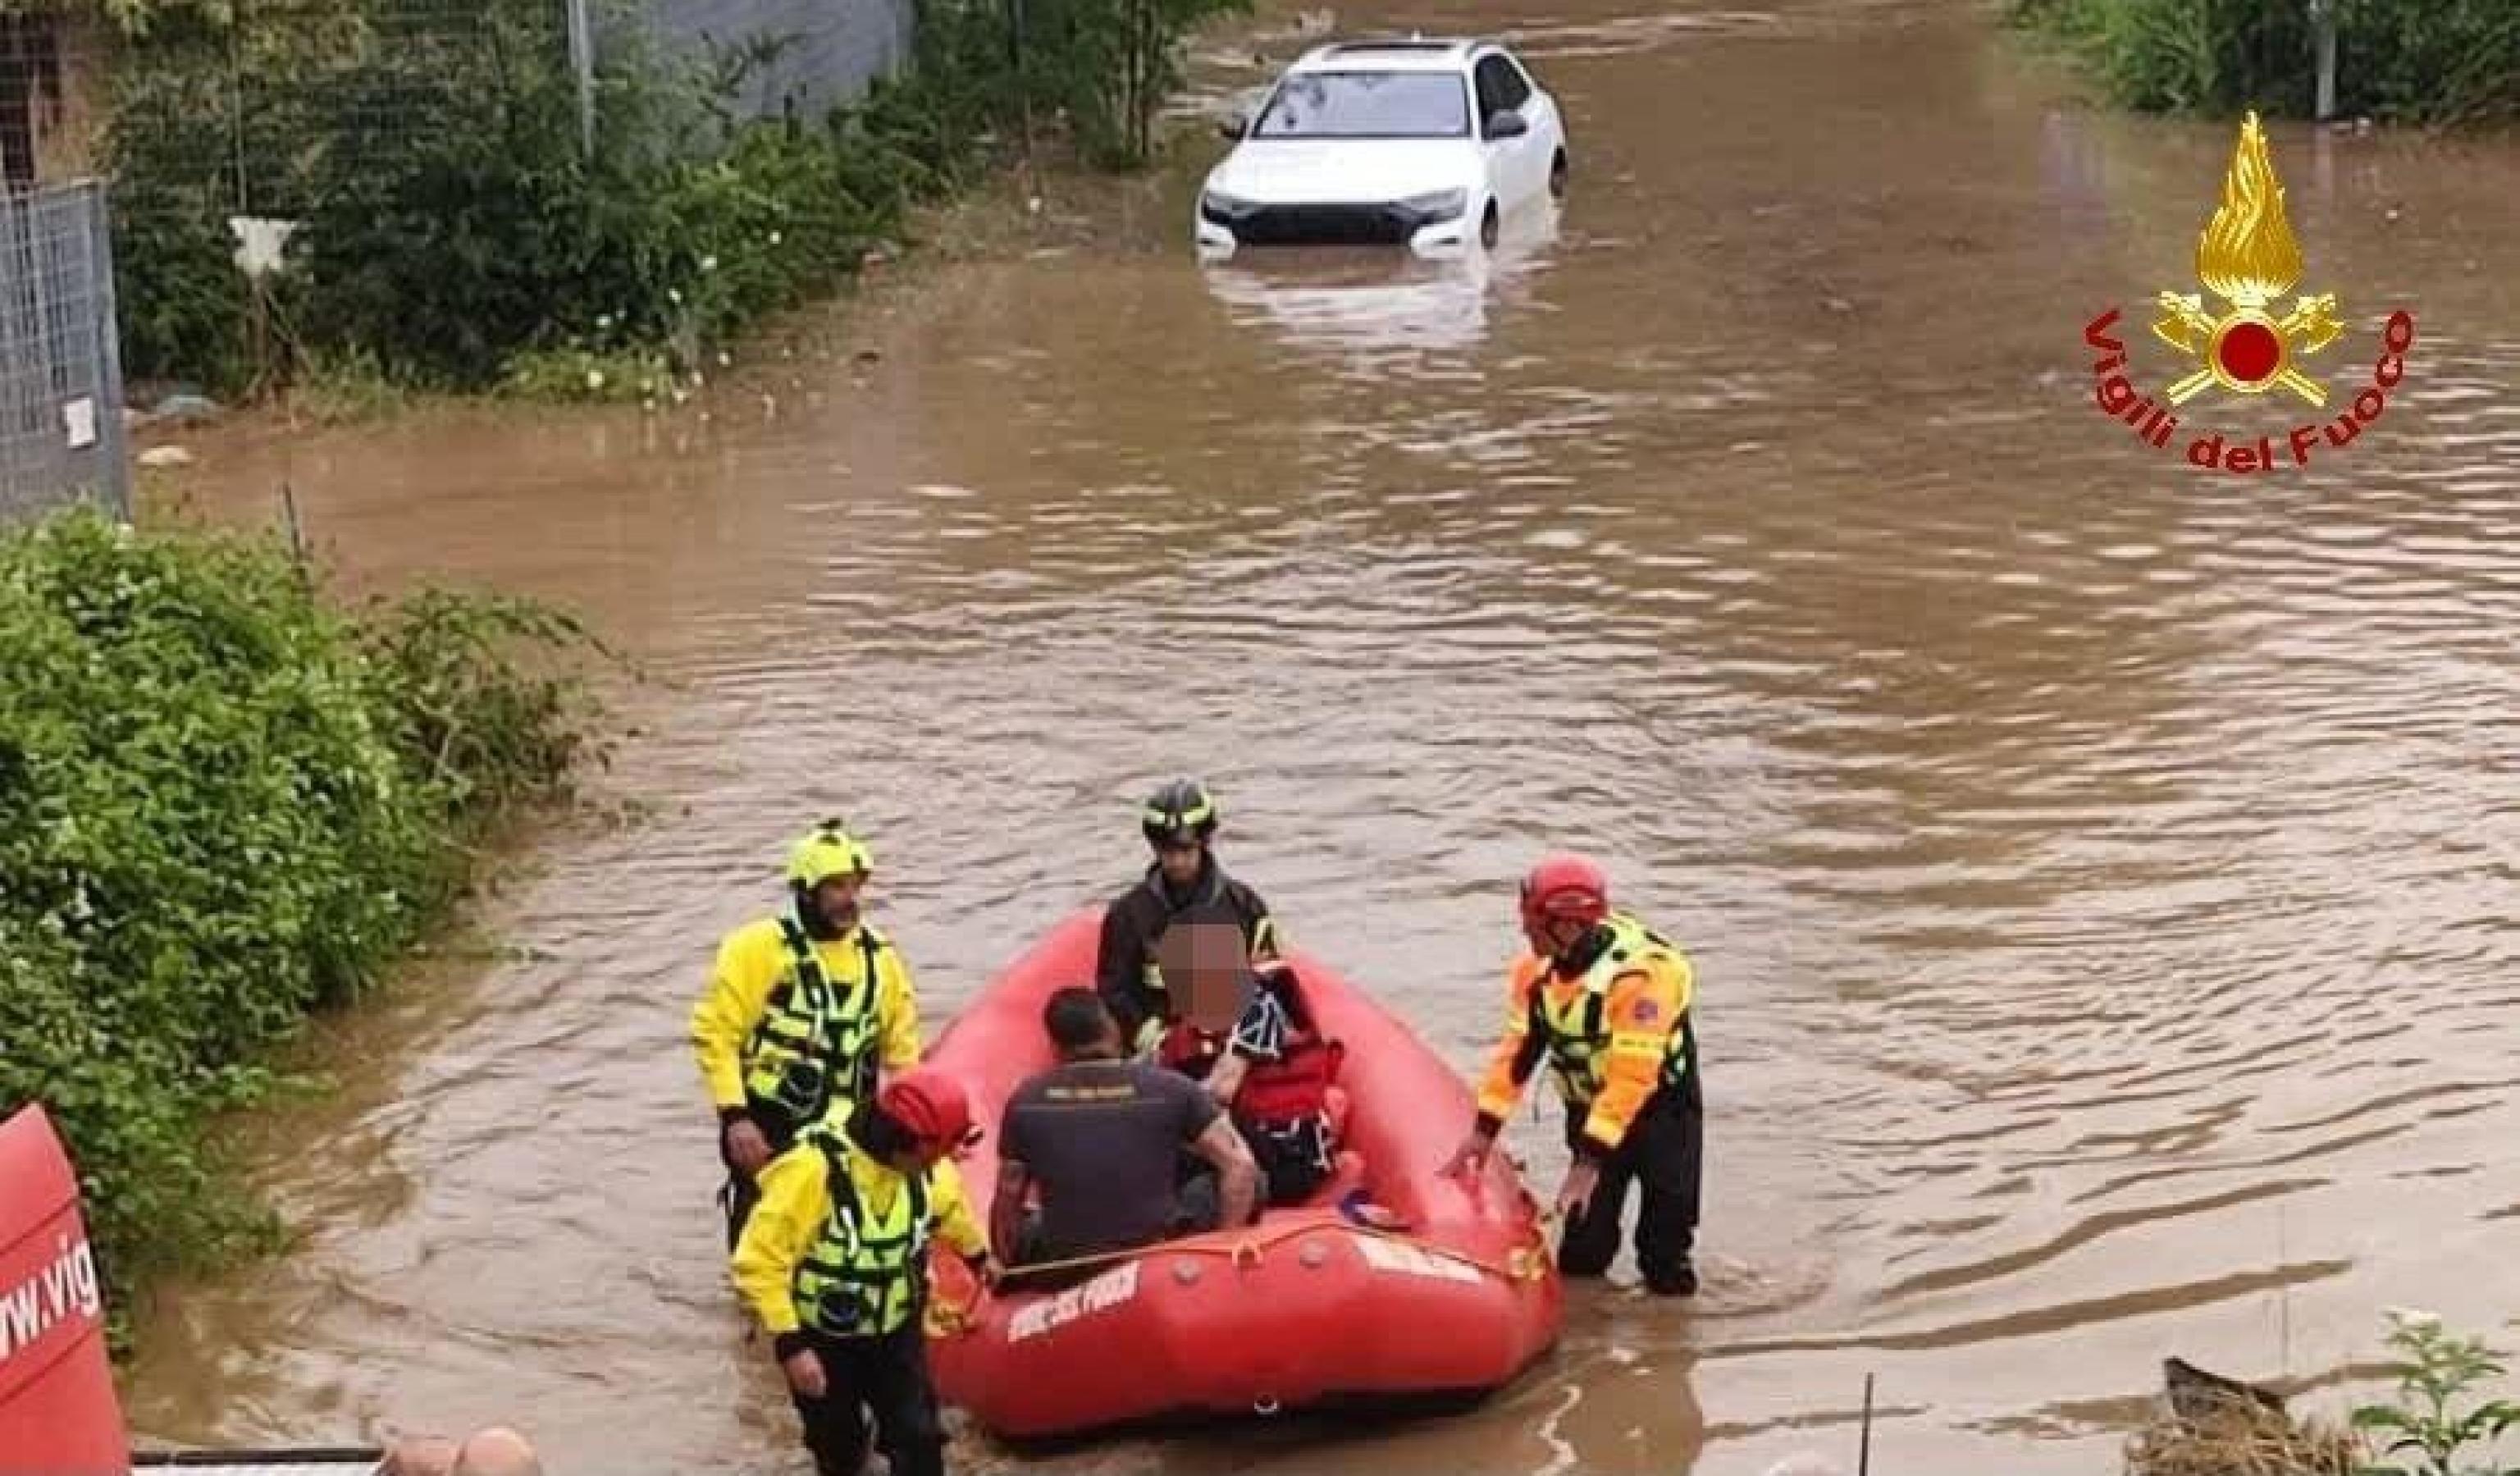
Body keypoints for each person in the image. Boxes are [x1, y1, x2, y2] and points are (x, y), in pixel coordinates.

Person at [1442, 854, 1704, 1295]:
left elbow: (1631, 1078)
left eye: (1532, 922)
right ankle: (1592, 1336)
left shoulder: (1643, 977)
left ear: (1566, 926)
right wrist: (1484, 1130)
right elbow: (1518, 1053)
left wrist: (1586, 1165)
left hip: (1663, 1114)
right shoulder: (1535, 974)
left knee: (1664, 1249)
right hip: (1589, 1110)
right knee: (1583, 1249)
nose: (1524, 931)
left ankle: (1670, 1345)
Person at [731, 1068, 997, 1476]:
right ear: (900, 1145)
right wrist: (791, 1347)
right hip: (823, 1339)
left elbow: (948, 1210)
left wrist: (979, 1257)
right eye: (931, 1157)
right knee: (838, 1452)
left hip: (896, 1332)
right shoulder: (812, 1171)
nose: (939, 1165)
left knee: (920, 1439)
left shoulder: (927, 1168)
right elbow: (759, 1260)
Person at [692, 819, 924, 1246]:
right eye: (836, 887)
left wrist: (918, 1120)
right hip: (773, 1123)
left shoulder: (880, 958)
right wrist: (735, 1117)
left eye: (855, 887)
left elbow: (902, 1049)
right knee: (762, 1235)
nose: (850, 900)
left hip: (852, 1126)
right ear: (805, 890)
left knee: (841, 1239)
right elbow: (717, 1036)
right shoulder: (754, 949)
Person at [993, 988, 1260, 1271]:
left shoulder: (1025, 1101)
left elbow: (1009, 1193)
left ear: (1055, 1047)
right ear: (1113, 1031)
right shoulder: (1172, 1088)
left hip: (1068, 1259)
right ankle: (1215, 1261)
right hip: (1156, 1253)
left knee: (1034, 1222)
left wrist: (1005, 1265)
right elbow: (1240, 1166)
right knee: (1249, 1182)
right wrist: (1225, 1248)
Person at [1148, 907, 1345, 1206]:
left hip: (1285, 1156)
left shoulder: (1256, 1006)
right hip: (1254, 1141)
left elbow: (1221, 1091)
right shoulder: (1203, 1011)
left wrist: (1161, 1105)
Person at [1095, 778, 1280, 1055]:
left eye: (1185, 850)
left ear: (1204, 843)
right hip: (1158, 1045)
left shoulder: (1244, 907)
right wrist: (1152, 1037)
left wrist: (1239, 1045)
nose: (1177, 861)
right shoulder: (1128, 915)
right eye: (1168, 851)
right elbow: (1115, 990)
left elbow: (1268, 981)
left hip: (1232, 1043)